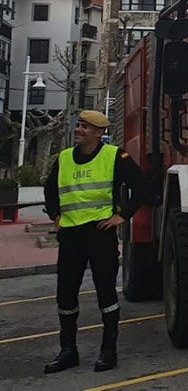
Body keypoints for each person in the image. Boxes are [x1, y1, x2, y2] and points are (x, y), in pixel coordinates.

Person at [42, 110, 152, 374]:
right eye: (78, 125)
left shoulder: (115, 157)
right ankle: (68, 351)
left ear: (98, 133)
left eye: (85, 127)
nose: (78, 129)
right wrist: (56, 215)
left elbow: (142, 186)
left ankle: (108, 351)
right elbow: (50, 189)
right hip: (70, 236)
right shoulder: (65, 158)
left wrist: (122, 216)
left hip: (99, 235)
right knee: (65, 296)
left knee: (106, 295)